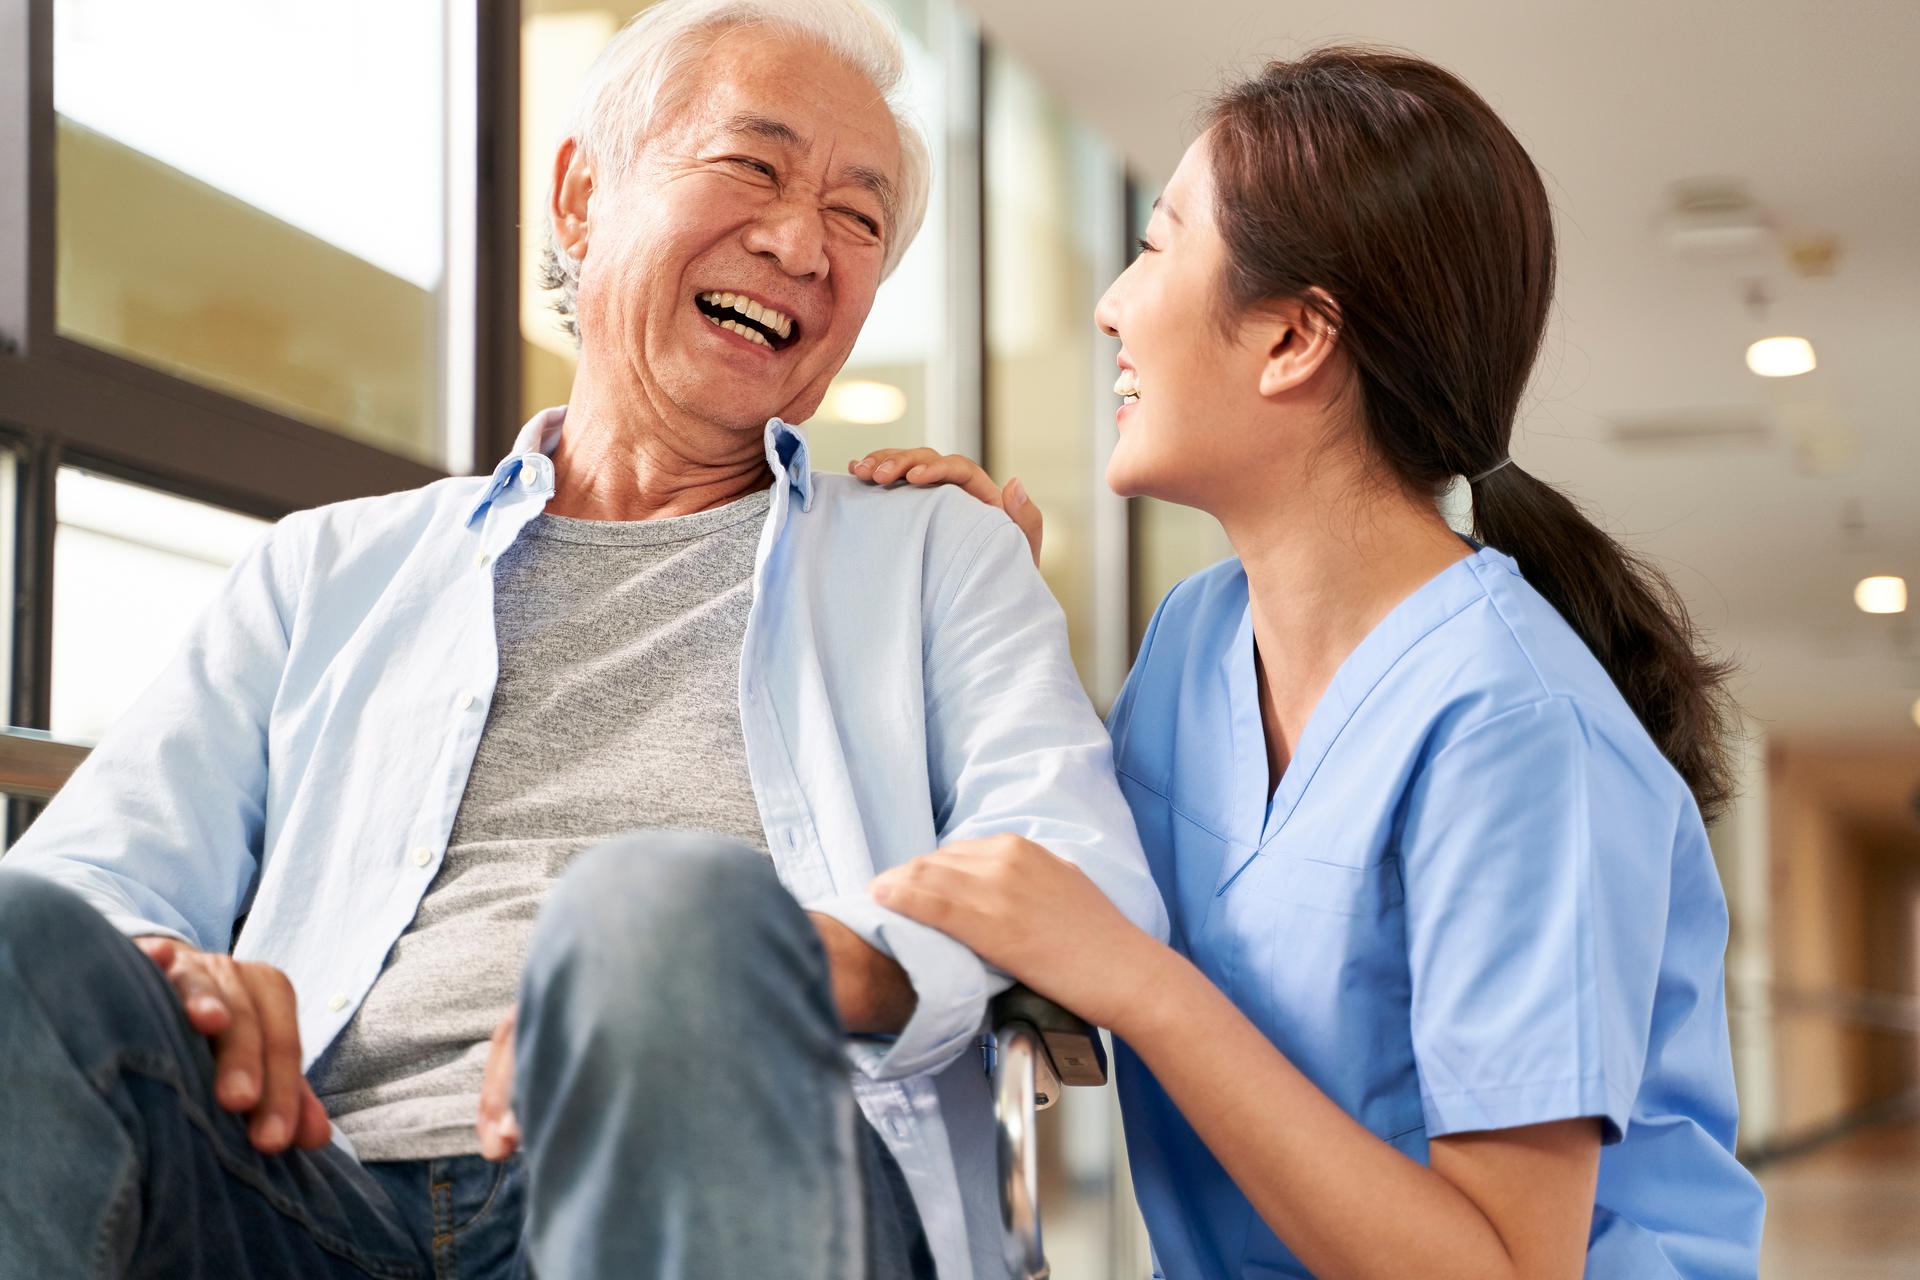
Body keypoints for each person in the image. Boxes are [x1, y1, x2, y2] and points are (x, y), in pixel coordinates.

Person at [0, 2, 1164, 1278]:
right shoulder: (328, 567)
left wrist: (822, 958)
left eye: (860, 216)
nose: (798, 240)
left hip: (716, 1180)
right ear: (579, 195)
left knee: (660, 907)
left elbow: (1078, 868)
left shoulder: (936, 551)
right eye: (752, 165)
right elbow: (95, 878)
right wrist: (179, 969)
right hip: (303, 1189)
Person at [853, 46, 1766, 1280]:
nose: (1113, 303)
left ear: (1292, 335)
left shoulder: (1515, 725)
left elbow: (1502, 1267)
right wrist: (980, 616)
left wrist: (1145, 987)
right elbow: (1053, 886)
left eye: (1157, 244)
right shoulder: (1192, 640)